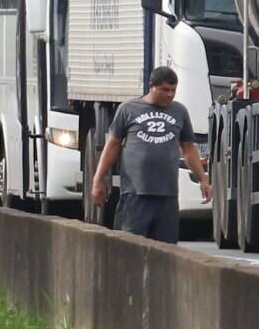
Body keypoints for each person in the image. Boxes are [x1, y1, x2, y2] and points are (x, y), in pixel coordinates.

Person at [90, 65, 212, 244]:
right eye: (164, 90)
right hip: (135, 194)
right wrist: (98, 180)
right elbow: (113, 145)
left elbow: (188, 148)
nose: (169, 95)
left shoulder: (179, 111)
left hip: (167, 196)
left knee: (166, 250)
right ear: (151, 86)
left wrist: (203, 179)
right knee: (129, 247)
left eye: (173, 90)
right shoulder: (128, 109)